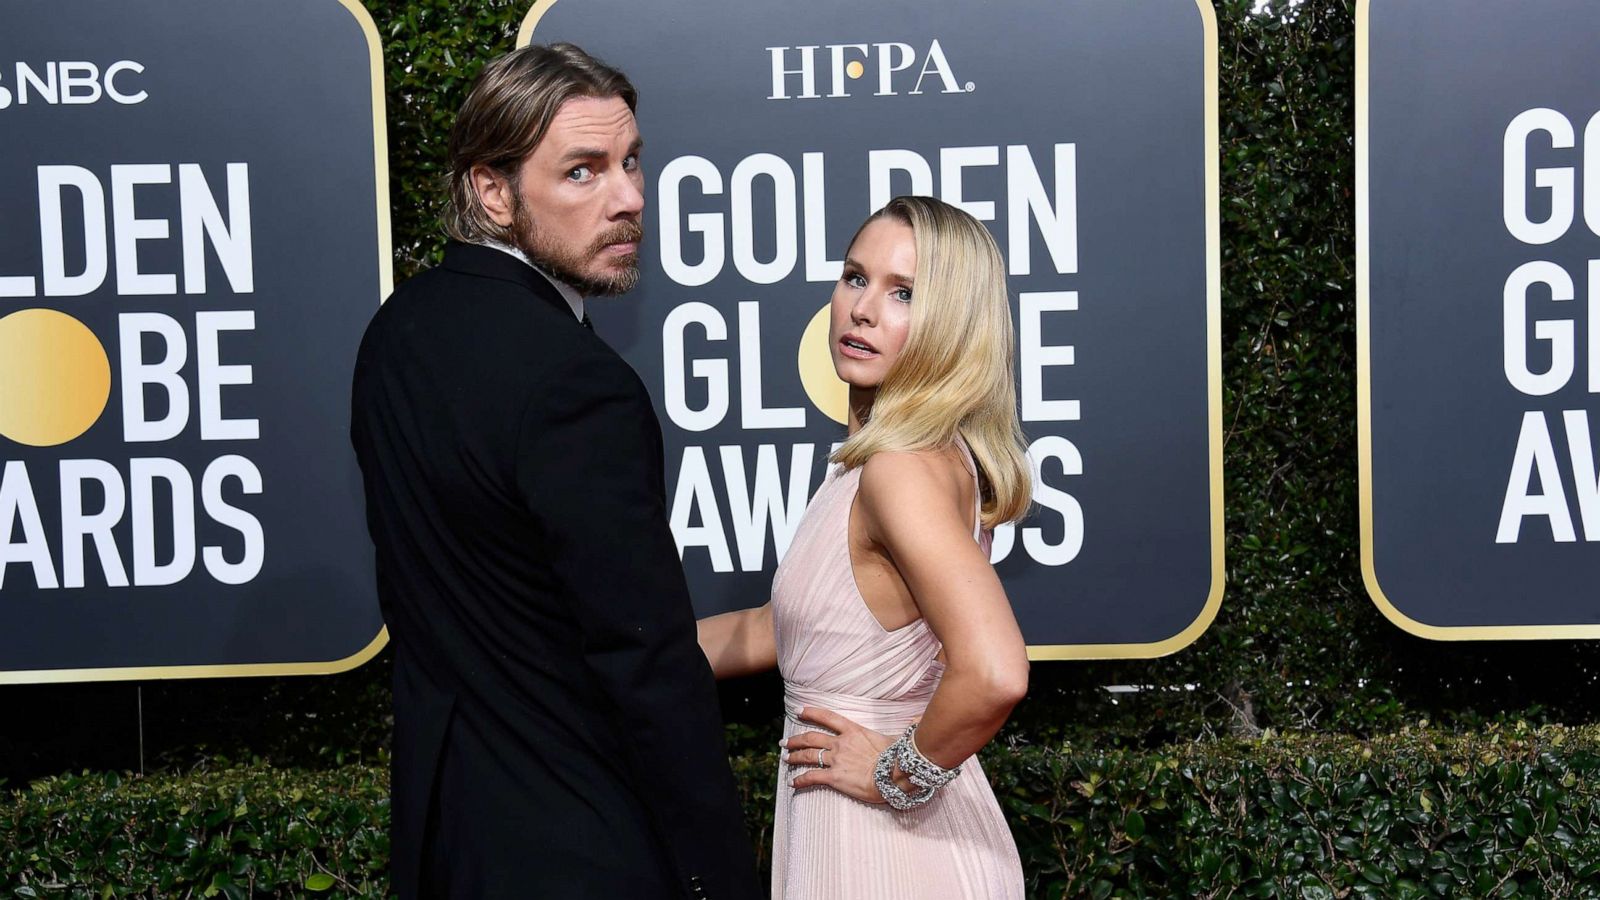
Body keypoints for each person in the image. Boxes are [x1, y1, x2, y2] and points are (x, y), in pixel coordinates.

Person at [351, 44, 760, 900]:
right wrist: (717, 874)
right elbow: (642, 660)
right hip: (585, 846)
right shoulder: (579, 383)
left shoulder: (397, 334)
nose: (630, 199)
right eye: (583, 172)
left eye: (632, 162)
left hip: (448, 840)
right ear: (492, 191)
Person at [697, 196, 1033, 898]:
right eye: (856, 277)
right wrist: (609, 656)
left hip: (889, 852)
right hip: (874, 838)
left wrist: (897, 778)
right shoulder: (890, 459)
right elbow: (775, 629)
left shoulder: (900, 470)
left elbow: (996, 670)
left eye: (903, 293)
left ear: (952, 325)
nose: (862, 309)